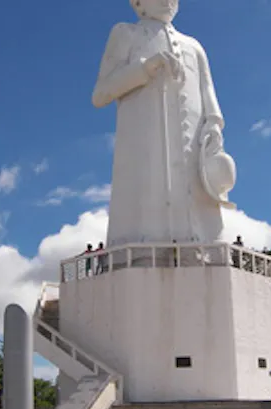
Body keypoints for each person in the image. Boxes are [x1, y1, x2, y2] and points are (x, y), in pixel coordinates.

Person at [93, 0, 235, 249]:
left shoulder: (194, 46)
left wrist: (214, 123)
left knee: (198, 197)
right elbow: (101, 94)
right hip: (144, 144)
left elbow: (207, 90)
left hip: (195, 146)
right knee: (148, 196)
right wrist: (144, 69)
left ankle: (203, 249)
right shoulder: (126, 33)